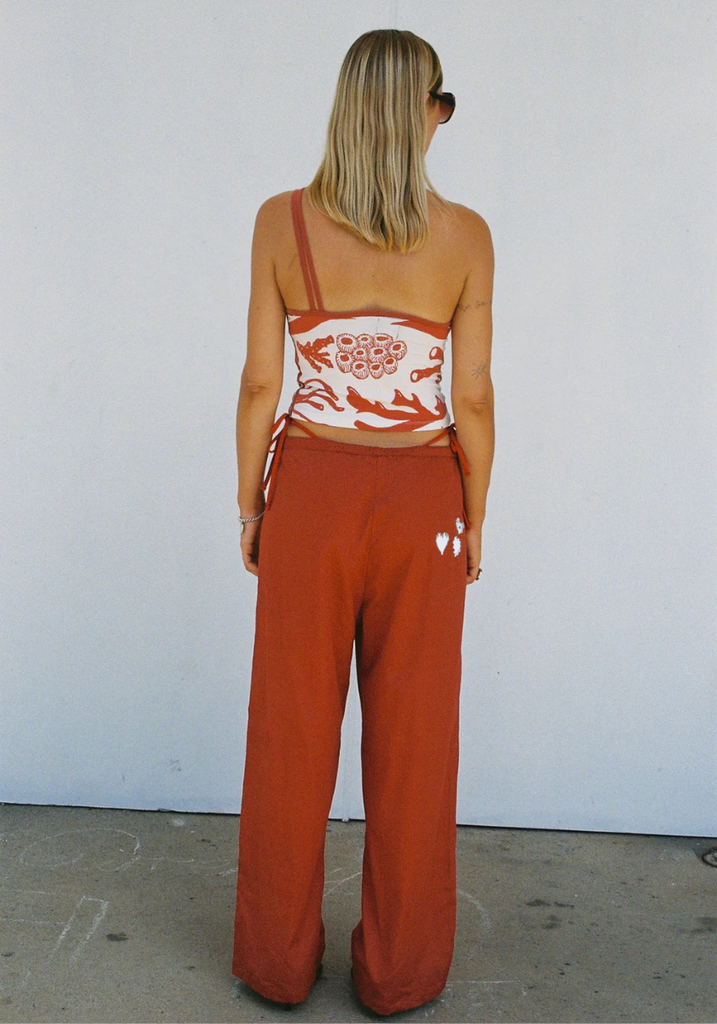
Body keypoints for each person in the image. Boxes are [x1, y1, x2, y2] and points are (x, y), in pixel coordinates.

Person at [231, 28, 494, 1017]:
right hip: (426, 497)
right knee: (418, 739)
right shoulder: (466, 237)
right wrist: (474, 510)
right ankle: (400, 974)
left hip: (311, 496)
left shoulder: (278, 221)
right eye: (444, 100)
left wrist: (252, 498)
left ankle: (274, 965)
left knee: (292, 730)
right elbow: (471, 396)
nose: (447, 116)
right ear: (420, 113)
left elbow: (265, 379)